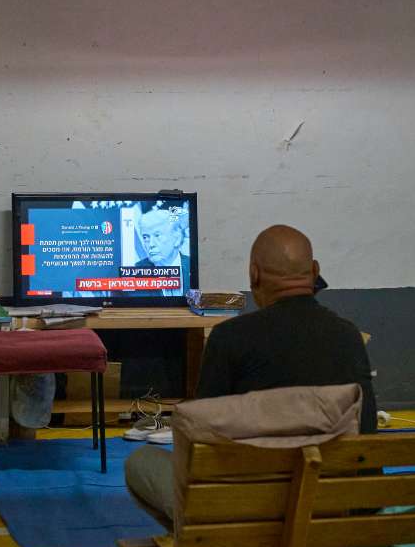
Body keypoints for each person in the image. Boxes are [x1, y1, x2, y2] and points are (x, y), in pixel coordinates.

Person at [125, 224, 377, 525]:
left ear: (253, 274)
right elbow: (367, 428)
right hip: (333, 513)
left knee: (141, 463)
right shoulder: (349, 336)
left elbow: (199, 441)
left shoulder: (229, 338)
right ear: (314, 271)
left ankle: (204, 546)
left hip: (246, 515)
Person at [133, 207, 191, 296]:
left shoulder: (192, 265)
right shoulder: (135, 272)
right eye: (146, 237)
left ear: (177, 238)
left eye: (157, 235)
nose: (151, 244)